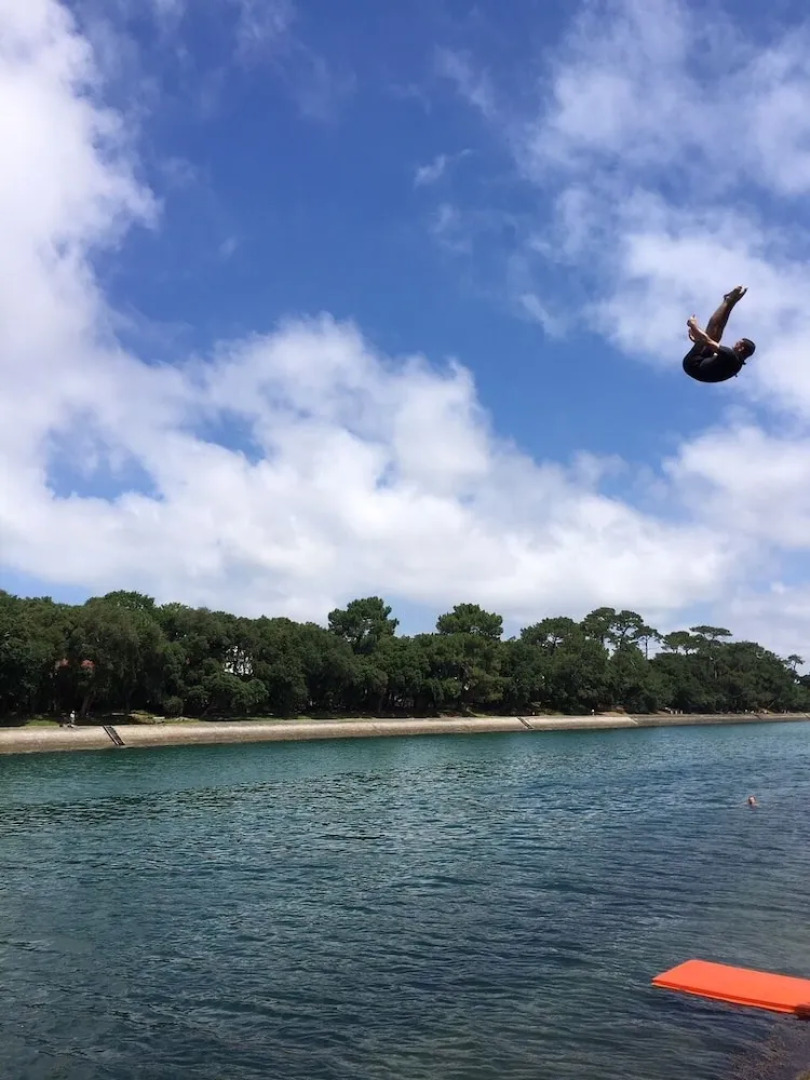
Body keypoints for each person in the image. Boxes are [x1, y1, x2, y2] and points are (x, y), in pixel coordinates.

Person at [683, 285, 756, 383]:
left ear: (741, 348)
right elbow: (714, 361)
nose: (734, 343)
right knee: (714, 337)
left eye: (738, 343)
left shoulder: (730, 355)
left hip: (692, 364)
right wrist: (698, 341)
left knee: (714, 336)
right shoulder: (735, 363)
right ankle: (730, 302)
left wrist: (693, 325)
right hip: (704, 366)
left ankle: (728, 301)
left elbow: (706, 340)